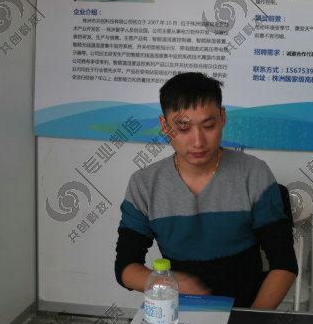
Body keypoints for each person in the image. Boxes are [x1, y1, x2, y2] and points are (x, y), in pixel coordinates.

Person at [114, 72, 298, 308]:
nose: (198, 141)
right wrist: (169, 283)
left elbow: (284, 264)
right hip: (183, 311)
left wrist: (251, 320)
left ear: (222, 118)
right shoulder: (144, 184)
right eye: (183, 128)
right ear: (165, 126)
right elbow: (126, 267)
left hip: (247, 306)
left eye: (208, 126)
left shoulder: (254, 174)